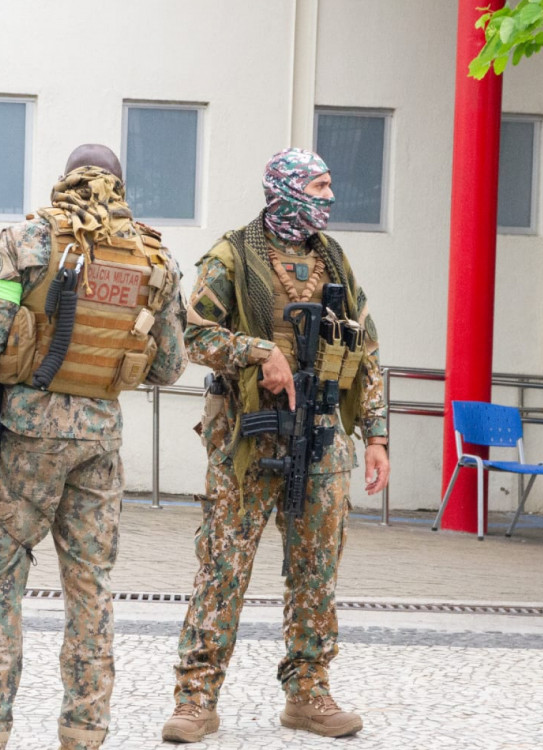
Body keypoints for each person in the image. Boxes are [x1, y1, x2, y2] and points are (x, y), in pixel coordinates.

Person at [0, 144, 187, 750]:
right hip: (99, 442)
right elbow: (170, 365)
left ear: (65, 179)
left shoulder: (23, 242)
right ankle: (84, 734)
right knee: (90, 590)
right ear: (120, 186)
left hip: (24, 441)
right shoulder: (156, 256)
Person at [161, 148, 389, 743]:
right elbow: (194, 334)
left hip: (321, 441)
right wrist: (259, 352)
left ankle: (308, 692)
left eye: (330, 184)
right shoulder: (233, 255)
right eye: (318, 185)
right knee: (223, 571)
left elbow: (366, 350)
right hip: (249, 441)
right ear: (285, 189)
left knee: (316, 571)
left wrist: (377, 435)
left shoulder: (334, 260)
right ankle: (195, 699)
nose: (329, 197)